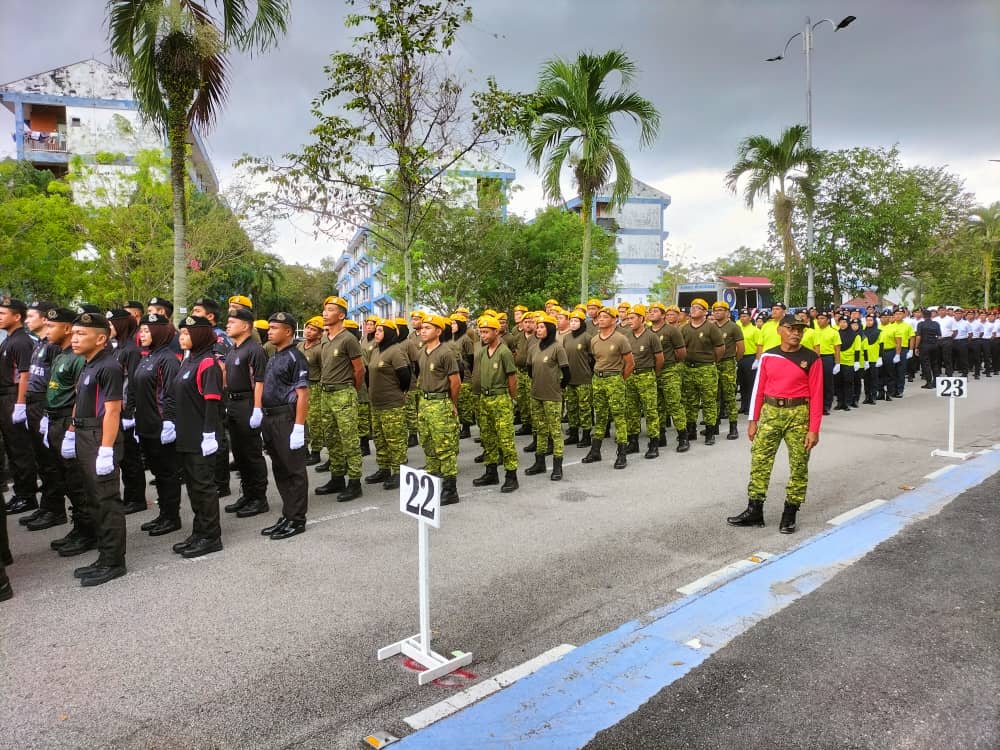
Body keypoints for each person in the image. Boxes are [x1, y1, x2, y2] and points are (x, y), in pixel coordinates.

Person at [727, 316, 823, 533]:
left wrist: (814, 429)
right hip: (770, 412)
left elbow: (817, 395)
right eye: (791, 328)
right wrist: (753, 421)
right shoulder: (769, 355)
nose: (796, 333)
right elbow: (758, 389)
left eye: (800, 330)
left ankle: (790, 513)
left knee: (799, 464)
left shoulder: (811, 358)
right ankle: (755, 510)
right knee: (760, 461)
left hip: (798, 414)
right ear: (780, 330)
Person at [61, 312, 127, 586]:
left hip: (101, 435)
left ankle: (113, 561)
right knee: (93, 497)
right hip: (85, 433)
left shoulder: (108, 366)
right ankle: (103, 554)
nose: (74, 339)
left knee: (106, 499)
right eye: (74, 334)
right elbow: (81, 399)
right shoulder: (88, 364)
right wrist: (71, 432)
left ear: (101, 338)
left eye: (81, 334)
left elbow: (112, 410)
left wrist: (106, 450)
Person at [170, 316, 224, 559]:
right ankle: (199, 530)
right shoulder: (187, 361)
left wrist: (209, 434)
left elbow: (212, 402)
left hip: (202, 437)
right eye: (181, 333)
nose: (182, 337)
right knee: (193, 487)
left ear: (200, 335)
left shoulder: (207, 363)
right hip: (186, 436)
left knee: (204, 487)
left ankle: (211, 536)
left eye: (187, 333)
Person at [38, 308, 91, 552]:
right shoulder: (60, 354)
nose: (47, 330)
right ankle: (78, 526)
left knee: (77, 480)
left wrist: (70, 429)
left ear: (67, 328)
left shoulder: (78, 358)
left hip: (68, 423)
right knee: (67, 481)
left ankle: (88, 531)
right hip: (54, 420)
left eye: (52, 326)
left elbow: (81, 397)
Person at [258, 312, 310, 540]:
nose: (269, 331)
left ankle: (297, 519)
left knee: (294, 470)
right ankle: (288, 514)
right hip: (271, 418)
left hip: (286, 418)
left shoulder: (295, 357)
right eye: (269, 327)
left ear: (288, 331)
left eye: (274, 328)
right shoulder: (273, 356)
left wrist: (299, 427)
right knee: (280, 468)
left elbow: (303, 394)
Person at [132, 313, 183, 538]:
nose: (141, 335)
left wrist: (169, 421)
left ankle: (172, 516)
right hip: (146, 425)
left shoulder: (168, 359)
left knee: (167, 473)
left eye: (146, 330)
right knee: (158, 473)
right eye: (141, 330)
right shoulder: (148, 356)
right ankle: (164, 513)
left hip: (161, 425)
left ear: (159, 332)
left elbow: (170, 394)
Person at [19, 301, 64, 530]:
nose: (27, 320)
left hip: (45, 404)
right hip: (34, 403)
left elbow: (54, 383)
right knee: (42, 460)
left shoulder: (54, 346)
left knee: (50, 460)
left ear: (45, 318)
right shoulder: (39, 343)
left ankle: (56, 509)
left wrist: (47, 411)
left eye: (31, 316)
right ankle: (47, 505)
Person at [315, 296, 365, 502]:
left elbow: (359, 369)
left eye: (331, 310)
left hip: (343, 393)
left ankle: (354, 482)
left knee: (349, 439)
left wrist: (351, 390)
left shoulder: (348, 339)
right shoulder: (325, 339)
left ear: (341, 315)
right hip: (326, 394)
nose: (325, 313)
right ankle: (337, 477)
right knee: (332, 439)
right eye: (325, 309)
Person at [222, 308, 270, 518]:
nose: (228, 325)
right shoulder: (233, 349)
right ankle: (248, 493)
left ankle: (259, 498)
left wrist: (257, 409)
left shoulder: (255, 350)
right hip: (233, 403)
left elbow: (260, 381)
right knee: (240, 454)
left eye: (232, 322)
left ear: (246, 326)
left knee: (252, 454)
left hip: (248, 403)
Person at [191, 298, 234, 498]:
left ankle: (221, 482)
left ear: (210, 316)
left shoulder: (217, 338)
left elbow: (222, 369)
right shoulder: (201, 335)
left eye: (197, 311)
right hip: (201, 393)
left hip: (215, 392)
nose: (193, 314)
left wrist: (220, 397)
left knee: (218, 436)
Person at [417, 314, 461, 505]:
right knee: (427, 443)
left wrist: (451, 403)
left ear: (438, 331)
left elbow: (455, 382)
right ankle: (432, 483)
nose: (423, 331)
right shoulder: (422, 351)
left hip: (440, 402)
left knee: (445, 447)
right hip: (424, 403)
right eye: (422, 328)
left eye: (427, 327)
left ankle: (450, 490)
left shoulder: (445, 352)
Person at [583, 306, 634, 469]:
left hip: (614, 379)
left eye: (605, 316)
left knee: (619, 416)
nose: (601, 319)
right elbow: (595, 360)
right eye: (599, 317)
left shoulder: (620, 339)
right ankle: (595, 450)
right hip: (598, 379)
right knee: (600, 416)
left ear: (614, 319)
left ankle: (622, 453)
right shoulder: (594, 339)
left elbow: (630, 363)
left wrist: (619, 379)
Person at [107, 308, 147, 514]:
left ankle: (136, 497)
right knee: (122, 456)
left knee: (130, 456)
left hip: (126, 409)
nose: (109, 328)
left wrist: (130, 412)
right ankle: (130, 496)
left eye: (112, 324)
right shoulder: (117, 348)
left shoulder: (131, 350)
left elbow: (132, 382)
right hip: (115, 407)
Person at [0, 297, 38, 515]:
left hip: (14, 396)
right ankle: (21, 493)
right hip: (6, 396)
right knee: (13, 448)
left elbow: (24, 374)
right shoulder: (9, 339)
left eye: (3, 314)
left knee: (20, 448)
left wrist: (20, 403)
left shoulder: (21, 340)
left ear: (17, 317)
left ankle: (27, 495)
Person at [472, 315, 518, 492]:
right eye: (481, 332)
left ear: (496, 331)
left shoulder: (503, 351)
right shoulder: (483, 351)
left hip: (500, 398)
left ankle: (511, 475)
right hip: (485, 398)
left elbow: (512, 378)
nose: (482, 335)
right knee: (488, 437)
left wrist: (511, 399)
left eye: (486, 332)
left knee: (505, 438)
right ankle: (491, 472)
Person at [364, 318, 411, 491]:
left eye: (380, 331)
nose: (376, 333)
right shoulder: (376, 351)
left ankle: (399, 472)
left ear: (390, 333)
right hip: (376, 404)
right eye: (376, 330)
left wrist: (398, 392)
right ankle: (384, 469)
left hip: (392, 404)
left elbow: (405, 376)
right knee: (380, 439)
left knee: (395, 440)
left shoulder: (395, 351)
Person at [525, 313, 570, 480]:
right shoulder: (533, 348)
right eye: (538, 327)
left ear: (550, 329)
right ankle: (540, 463)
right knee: (540, 430)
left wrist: (557, 388)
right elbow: (530, 370)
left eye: (542, 327)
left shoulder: (558, 348)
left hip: (552, 396)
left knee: (555, 432)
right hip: (536, 394)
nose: (538, 329)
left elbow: (567, 373)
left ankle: (557, 466)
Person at [681, 299, 724, 445]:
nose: (693, 310)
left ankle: (710, 432)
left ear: (705, 312)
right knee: (690, 402)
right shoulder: (684, 328)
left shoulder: (711, 328)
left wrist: (711, 362)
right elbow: (681, 349)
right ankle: (691, 430)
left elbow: (720, 348)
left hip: (706, 369)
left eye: (698, 308)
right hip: (688, 368)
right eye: (692, 307)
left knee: (708, 401)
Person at [623, 304, 663, 458]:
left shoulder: (651, 336)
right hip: (631, 376)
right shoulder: (626, 336)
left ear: (641, 318)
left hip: (646, 375)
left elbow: (659, 358)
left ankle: (654, 443)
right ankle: (633, 442)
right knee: (631, 411)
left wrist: (653, 374)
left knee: (650, 411)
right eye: (628, 318)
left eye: (632, 318)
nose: (629, 321)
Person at [649, 303, 689, 452]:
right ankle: (661, 436)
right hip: (653, 372)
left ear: (663, 314)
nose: (651, 313)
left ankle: (683, 436)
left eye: (655, 311)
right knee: (657, 406)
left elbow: (682, 353)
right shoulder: (648, 331)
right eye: (650, 311)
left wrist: (672, 364)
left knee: (674, 404)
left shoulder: (671, 331)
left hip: (669, 371)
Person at [712, 301, 743, 440]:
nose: (717, 312)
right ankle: (714, 425)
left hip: (727, 363)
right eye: (715, 310)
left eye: (720, 310)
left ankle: (733, 426)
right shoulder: (711, 327)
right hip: (713, 364)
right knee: (714, 395)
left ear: (727, 312)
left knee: (729, 396)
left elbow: (741, 348)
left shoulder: (733, 327)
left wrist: (734, 360)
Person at [562, 310, 594, 448]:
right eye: (572, 321)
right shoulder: (566, 338)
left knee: (584, 408)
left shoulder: (587, 338)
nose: (573, 324)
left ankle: (586, 436)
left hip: (584, 379)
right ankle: (573, 434)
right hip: (570, 379)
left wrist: (589, 372)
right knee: (572, 408)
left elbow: (593, 358)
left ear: (582, 323)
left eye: (576, 321)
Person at [298, 316, 325, 465]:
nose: (309, 331)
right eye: (308, 327)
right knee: (301, 419)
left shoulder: (320, 349)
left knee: (314, 421)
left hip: (315, 387)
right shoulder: (300, 346)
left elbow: (324, 370)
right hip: (301, 386)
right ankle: (303, 449)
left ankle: (316, 452)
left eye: (313, 329)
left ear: (320, 334)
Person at [812, 311, 840, 415]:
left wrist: (837, 363)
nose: (820, 320)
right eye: (818, 318)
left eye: (822, 318)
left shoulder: (834, 332)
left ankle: (826, 405)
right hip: (815, 357)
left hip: (827, 358)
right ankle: (817, 405)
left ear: (828, 320)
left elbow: (837, 349)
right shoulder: (814, 331)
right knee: (816, 383)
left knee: (827, 382)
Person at [835, 316, 861, 410]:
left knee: (848, 383)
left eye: (845, 322)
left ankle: (847, 403)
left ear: (848, 323)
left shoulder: (855, 335)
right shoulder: (836, 334)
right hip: (838, 362)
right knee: (838, 383)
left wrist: (856, 362)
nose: (842, 324)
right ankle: (840, 402)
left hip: (849, 362)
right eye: (841, 322)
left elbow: (857, 349)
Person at [736, 308, 759, 415]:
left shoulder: (755, 330)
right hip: (739, 357)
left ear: (750, 318)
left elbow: (759, 346)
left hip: (750, 358)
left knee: (751, 384)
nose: (742, 318)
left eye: (745, 316)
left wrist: (757, 360)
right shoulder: (737, 328)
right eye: (741, 316)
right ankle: (743, 406)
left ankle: (751, 407)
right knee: (742, 384)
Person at [915, 309, 942, 388]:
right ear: (931, 315)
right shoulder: (936, 324)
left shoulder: (921, 324)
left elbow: (919, 336)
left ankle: (929, 382)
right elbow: (939, 336)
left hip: (924, 346)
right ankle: (936, 382)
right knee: (935, 364)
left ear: (923, 316)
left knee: (926, 364)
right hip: (934, 345)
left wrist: (916, 347)